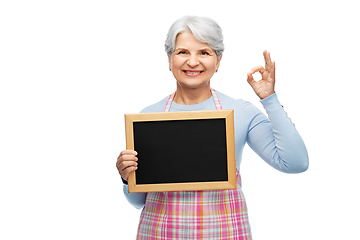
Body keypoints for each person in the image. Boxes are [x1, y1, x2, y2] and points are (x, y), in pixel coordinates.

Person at [116, 15, 309, 239]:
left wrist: (269, 99)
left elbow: (296, 163)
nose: (192, 61)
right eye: (182, 52)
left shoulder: (240, 112)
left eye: (204, 53)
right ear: (169, 59)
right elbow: (138, 202)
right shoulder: (148, 117)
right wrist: (126, 177)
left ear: (218, 61)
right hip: (160, 233)